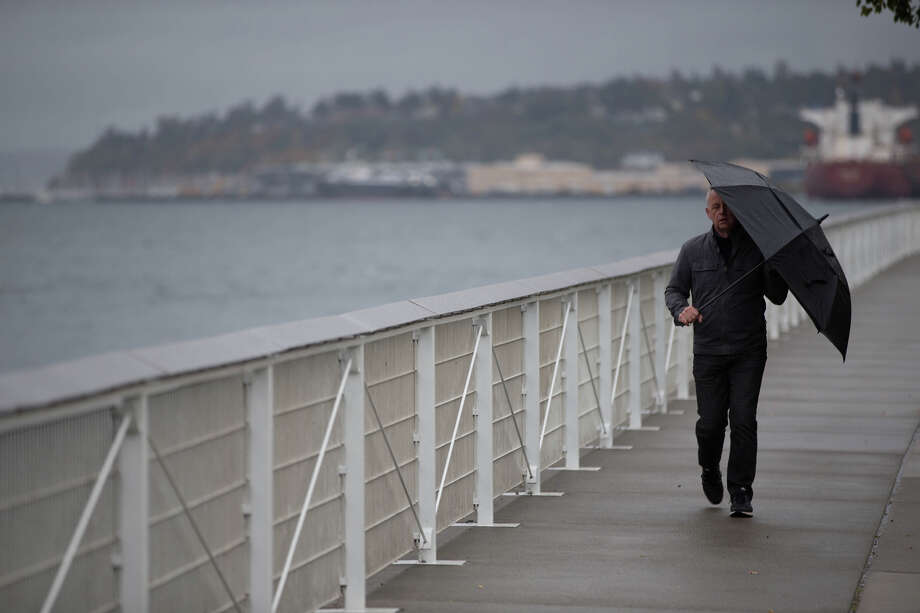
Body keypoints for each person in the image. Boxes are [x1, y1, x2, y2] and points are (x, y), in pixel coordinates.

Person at [665, 188, 788, 517]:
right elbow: (674, 289)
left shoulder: (759, 250)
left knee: (744, 420)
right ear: (707, 213)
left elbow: (777, 297)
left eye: (728, 208)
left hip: (748, 349)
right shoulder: (692, 251)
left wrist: (775, 265)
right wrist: (681, 311)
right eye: (716, 207)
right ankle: (709, 468)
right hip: (708, 351)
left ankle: (742, 491)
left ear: (737, 213)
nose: (722, 213)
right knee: (710, 424)